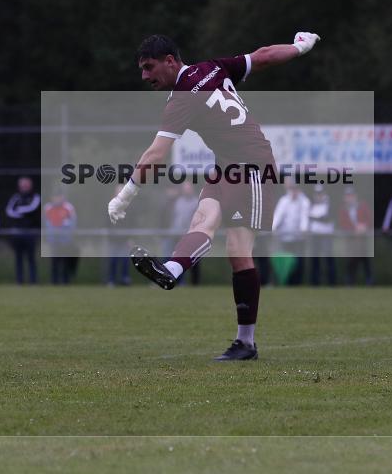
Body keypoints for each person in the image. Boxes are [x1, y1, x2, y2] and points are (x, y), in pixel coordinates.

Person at [108, 31, 321, 360]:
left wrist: (125, 195)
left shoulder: (181, 98)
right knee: (202, 219)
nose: (145, 76)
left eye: (149, 67)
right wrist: (298, 47)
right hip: (227, 165)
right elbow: (263, 55)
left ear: (170, 61)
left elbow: (155, 155)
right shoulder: (212, 68)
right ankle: (172, 271)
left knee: (238, 249)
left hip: (253, 165)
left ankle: (246, 343)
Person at [272, 180, 311, 286]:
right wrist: (273, 227)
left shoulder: (304, 201)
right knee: (286, 261)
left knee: (298, 262)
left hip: (299, 238)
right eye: (292, 189)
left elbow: (304, 217)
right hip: (285, 238)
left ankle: (298, 283)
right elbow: (278, 215)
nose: (294, 191)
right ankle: (286, 282)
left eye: (296, 189)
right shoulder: (284, 200)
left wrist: (303, 229)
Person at [4, 177, 41, 285]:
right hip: (18, 232)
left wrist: (19, 210)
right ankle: (19, 280)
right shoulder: (16, 197)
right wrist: (20, 213)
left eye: (26, 185)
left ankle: (33, 281)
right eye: (22, 185)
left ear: (30, 186)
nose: (24, 187)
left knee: (31, 258)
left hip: (31, 232)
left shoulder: (35, 197)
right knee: (18, 258)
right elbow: (9, 211)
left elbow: (32, 208)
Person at [337, 187, 373, 285]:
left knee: (365, 259)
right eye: (347, 196)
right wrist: (354, 229)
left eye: (351, 195)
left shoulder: (363, 206)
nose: (349, 198)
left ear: (355, 196)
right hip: (350, 239)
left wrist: (364, 226)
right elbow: (342, 223)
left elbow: (369, 219)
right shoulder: (343, 209)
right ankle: (350, 281)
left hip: (362, 238)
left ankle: (369, 280)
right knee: (351, 260)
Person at [168, 182, 201, 285]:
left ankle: (195, 283)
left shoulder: (196, 202)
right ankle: (178, 282)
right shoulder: (178, 201)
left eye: (189, 188)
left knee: (193, 259)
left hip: (191, 234)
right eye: (185, 188)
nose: (187, 190)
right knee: (177, 258)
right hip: (177, 235)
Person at [44, 190, 77, 284]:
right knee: (54, 261)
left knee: (65, 260)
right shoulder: (48, 208)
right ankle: (54, 281)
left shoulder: (68, 207)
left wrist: (68, 235)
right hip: (53, 239)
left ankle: (65, 281)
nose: (57, 199)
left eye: (59, 196)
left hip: (65, 240)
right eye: (55, 196)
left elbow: (73, 222)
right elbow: (46, 222)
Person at [308, 184, 337, 286]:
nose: (318, 195)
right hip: (315, 236)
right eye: (317, 193)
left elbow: (327, 218)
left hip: (326, 236)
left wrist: (315, 218)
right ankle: (315, 283)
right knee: (315, 261)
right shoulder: (312, 204)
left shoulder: (330, 203)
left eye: (320, 193)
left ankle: (332, 282)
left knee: (329, 260)